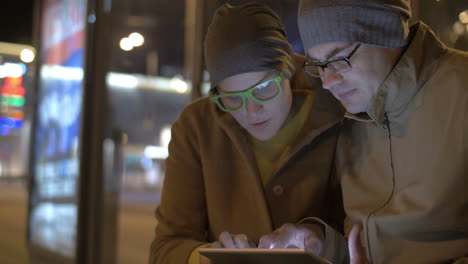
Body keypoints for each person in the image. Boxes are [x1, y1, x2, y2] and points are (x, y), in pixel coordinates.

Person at [149, 2, 347, 264]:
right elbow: (165, 248)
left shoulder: (341, 110)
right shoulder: (196, 127)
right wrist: (205, 258)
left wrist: (319, 239)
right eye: (233, 99)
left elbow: (371, 237)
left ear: (286, 72)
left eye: (264, 88)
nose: (252, 111)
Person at [285, 0, 468, 263]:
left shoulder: (461, 90)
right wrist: (317, 243)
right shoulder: (348, 116)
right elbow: (366, 248)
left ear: (386, 32)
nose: (327, 82)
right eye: (319, 65)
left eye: (340, 58)